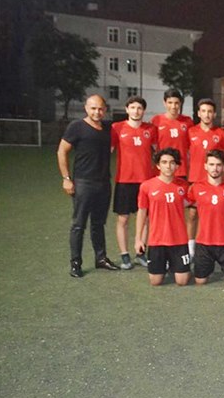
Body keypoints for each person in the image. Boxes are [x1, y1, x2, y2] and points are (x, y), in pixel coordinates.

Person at [57, 94, 120, 277]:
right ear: (86, 108)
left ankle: (101, 258)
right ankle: (75, 263)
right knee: (79, 225)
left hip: (103, 183)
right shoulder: (76, 126)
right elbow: (61, 151)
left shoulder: (107, 128)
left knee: (98, 224)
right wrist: (66, 178)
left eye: (100, 109)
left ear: (105, 110)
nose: (97, 112)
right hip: (83, 183)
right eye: (93, 108)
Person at [186, 150, 224, 285]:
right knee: (200, 281)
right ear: (205, 166)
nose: (215, 168)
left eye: (219, 165)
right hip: (204, 242)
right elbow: (184, 202)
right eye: (211, 164)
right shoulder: (196, 188)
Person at [110, 96, 157, 269]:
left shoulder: (151, 129)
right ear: (127, 109)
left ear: (143, 111)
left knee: (144, 219)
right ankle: (124, 255)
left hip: (145, 182)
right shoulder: (117, 128)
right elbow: (108, 150)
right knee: (123, 219)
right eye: (133, 107)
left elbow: (157, 151)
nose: (136, 111)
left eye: (139, 108)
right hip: (124, 180)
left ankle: (140, 253)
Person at [134, 148, 191, 286]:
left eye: (172, 162)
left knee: (182, 281)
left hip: (179, 239)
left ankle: (173, 264)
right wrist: (138, 239)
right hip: (157, 240)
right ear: (158, 165)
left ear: (177, 166)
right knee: (155, 281)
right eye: (164, 162)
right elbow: (142, 212)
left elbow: (192, 203)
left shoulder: (184, 186)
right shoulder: (147, 186)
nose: (168, 166)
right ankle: (166, 263)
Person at [187, 98, 224, 258]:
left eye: (210, 111)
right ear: (198, 113)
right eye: (203, 111)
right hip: (195, 179)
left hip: (214, 181)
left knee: (213, 215)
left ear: (214, 114)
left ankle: (213, 245)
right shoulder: (191, 132)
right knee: (193, 214)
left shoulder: (221, 133)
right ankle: (191, 246)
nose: (207, 114)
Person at [151, 89, 192, 179]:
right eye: (170, 103)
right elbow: (152, 146)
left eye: (176, 103)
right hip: (162, 170)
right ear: (164, 103)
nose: (173, 106)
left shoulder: (187, 121)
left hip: (181, 169)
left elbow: (191, 146)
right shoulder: (156, 120)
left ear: (180, 103)